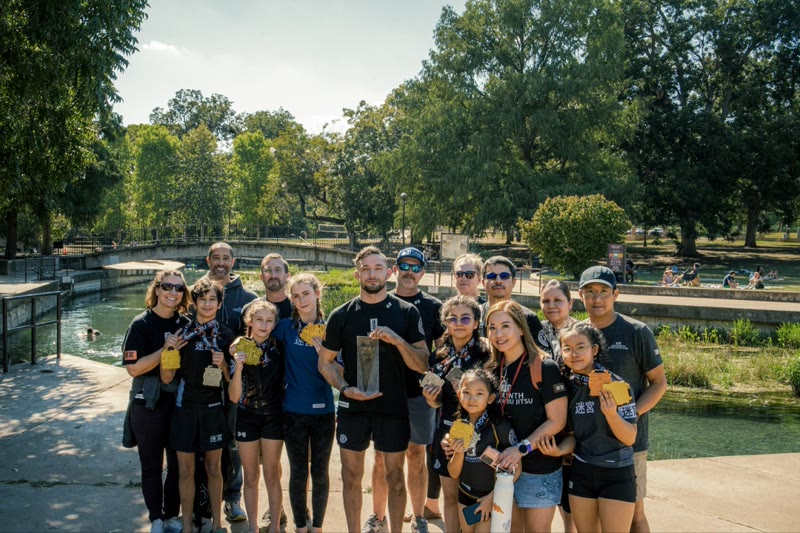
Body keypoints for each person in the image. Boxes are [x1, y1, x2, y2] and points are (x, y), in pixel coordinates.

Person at [317, 246, 429, 533]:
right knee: (350, 475)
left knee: (395, 478)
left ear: (389, 273)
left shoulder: (407, 312)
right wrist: (345, 388)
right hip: (354, 406)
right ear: (357, 275)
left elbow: (422, 364)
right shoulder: (341, 315)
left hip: (392, 408)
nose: (372, 274)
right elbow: (325, 363)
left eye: (378, 268)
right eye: (365, 269)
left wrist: (398, 341)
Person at [578, 265, 667, 533]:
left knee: (635, 515)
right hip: (586, 444)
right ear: (580, 296)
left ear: (616, 294)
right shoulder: (577, 333)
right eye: (590, 292)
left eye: (604, 291)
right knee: (592, 519)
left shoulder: (636, 331)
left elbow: (659, 383)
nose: (597, 298)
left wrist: (629, 415)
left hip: (629, 443)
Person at [365, 247, 444, 533]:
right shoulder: (378, 301)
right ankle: (378, 516)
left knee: (416, 455)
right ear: (395, 270)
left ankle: (419, 515)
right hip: (383, 393)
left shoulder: (434, 307)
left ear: (423, 272)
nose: (409, 272)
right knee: (380, 457)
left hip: (418, 393)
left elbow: (442, 350)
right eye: (404, 266)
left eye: (415, 267)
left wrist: (438, 383)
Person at [539, 323, 638, 533]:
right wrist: (558, 450)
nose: (574, 354)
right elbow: (574, 437)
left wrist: (611, 414)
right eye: (567, 349)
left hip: (616, 471)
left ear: (594, 350)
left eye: (580, 347)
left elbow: (630, 438)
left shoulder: (616, 385)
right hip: (582, 471)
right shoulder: (567, 387)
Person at [487, 300, 568, 533]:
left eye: (505, 326)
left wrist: (521, 449)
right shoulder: (492, 369)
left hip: (538, 468)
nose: (498, 334)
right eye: (492, 328)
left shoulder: (544, 367)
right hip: (503, 468)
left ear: (521, 329)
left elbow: (557, 421)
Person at [161, 279, 234, 533]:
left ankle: (217, 524)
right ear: (194, 303)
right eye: (202, 299)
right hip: (185, 409)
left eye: (212, 299)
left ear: (219, 304)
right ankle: (187, 527)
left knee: (214, 469)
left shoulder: (226, 335)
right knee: (185, 471)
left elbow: (231, 380)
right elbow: (167, 378)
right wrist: (169, 350)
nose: (207, 304)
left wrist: (223, 364)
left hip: (213, 409)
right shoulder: (182, 333)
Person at [122, 270, 192, 533]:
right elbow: (133, 368)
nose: (173, 292)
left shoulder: (185, 324)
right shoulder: (141, 324)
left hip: (178, 402)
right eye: (167, 287)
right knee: (151, 465)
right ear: (157, 289)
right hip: (147, 402)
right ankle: (156, 519)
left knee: (177, 466)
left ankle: (172, 515)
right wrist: (164, 350)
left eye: (178, 288)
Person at [423, 295, 492, 532]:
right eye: (452, 319)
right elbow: (438, 403)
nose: (459, 323)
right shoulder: (438, 357)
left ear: (476, 323)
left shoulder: (487, 355)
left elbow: (493, 397)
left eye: (465, 318)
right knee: (451, 497)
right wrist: (431, 399)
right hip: (447, 430)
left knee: (477, 495)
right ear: (445, 323)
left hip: (481, 430)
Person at [272, 273, 334, 533]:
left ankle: (317, 527)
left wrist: (326, 357)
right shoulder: (286, 327)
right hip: (293, 411)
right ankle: (300, 525)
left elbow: (343, 372)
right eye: (295, 296)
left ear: (317, 294)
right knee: (298, 471)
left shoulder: (332, 328)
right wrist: (239, 344)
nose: (301, 300)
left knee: (320, 471)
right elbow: (257, 335)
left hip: (324, 412)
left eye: (306, 294)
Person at [204, 242, 258, 524]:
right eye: (216, 258)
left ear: (233, 262)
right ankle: (204, 500)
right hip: (203, 384)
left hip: (237, 383)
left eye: (226, 258)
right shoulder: (197, 292)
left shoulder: (248, 298)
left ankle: (233, 498)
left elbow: (256, 339)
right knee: (205, 442)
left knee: (234, 443)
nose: (221, 263)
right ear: (208, 261)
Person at [229, 301, 285, 533]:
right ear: (249, 321)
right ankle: (253, 528)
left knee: (272, 475)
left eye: (269, 321)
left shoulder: (280, 348)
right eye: (259, 320)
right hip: (247, 416)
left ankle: (274, 528)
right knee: (251, 476)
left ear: (274, 324)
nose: (264, 325)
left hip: (273, 416)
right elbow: (234, 397)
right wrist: (238, 367)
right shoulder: (240, 348)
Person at [445, 369, 518, 533]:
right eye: (466, 392)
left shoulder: (500, 427)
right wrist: (459, 452)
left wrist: (491, 498)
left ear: (490, 398)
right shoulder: (459, 426)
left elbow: (516, 469)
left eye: (479, 394)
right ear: (459, 394)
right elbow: (454, 473)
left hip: (491, 497)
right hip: (465, 495)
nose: (472, 399)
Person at [536, 279, 577, 533]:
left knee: (571, 493)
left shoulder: (581, 331)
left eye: (557, 300)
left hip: (574, 415)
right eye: (546, 301)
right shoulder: (536, 331)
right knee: (551, 486)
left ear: (570, 303)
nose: (551, 306)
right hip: (546, 415)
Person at [478, 256, 544, 347]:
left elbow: (541, 353)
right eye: (491, 276)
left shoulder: (528, 318)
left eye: (504, 276)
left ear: (514, 282)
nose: (498, 281)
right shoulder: (474, 315)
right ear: (483, 283)